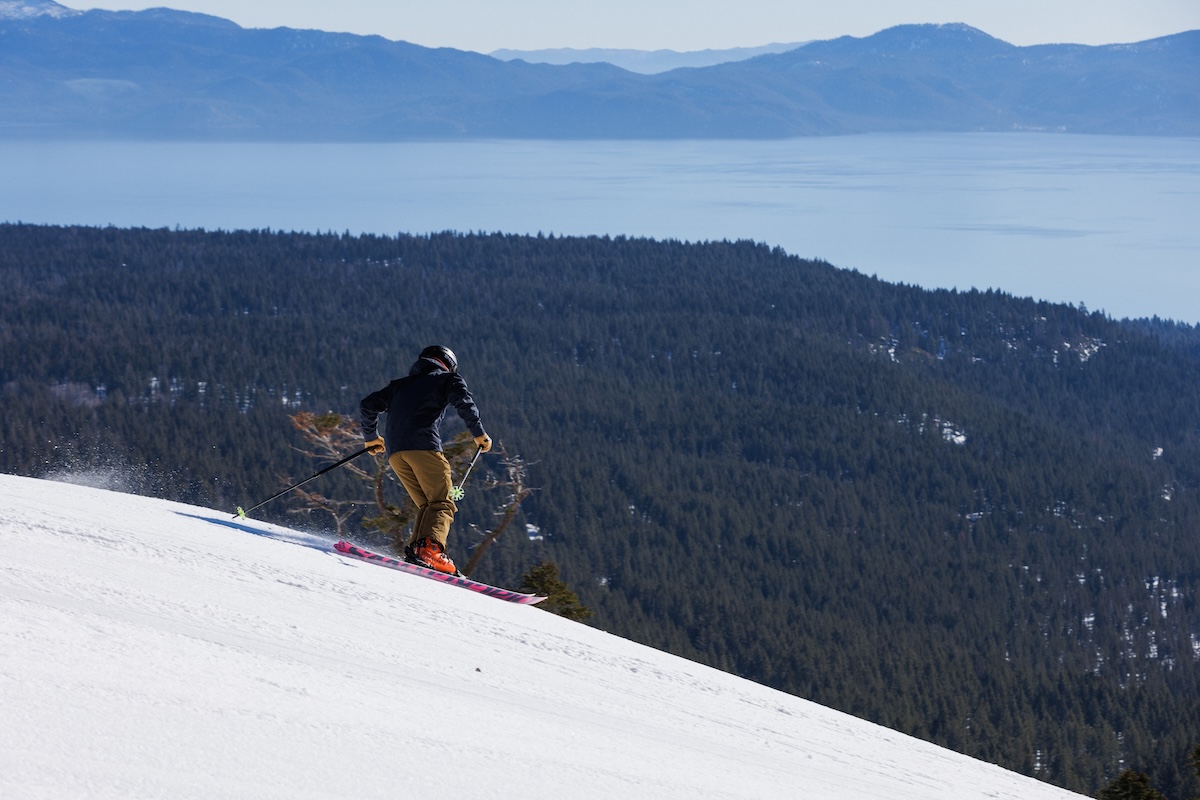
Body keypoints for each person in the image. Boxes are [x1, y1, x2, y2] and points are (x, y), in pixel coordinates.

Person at [359, 345, 492, 575]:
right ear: (448, 364)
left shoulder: (399, 386)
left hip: (396, 454)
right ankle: (430, 551)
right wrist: (479, 434)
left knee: (428, 504)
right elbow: (465, 403)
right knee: (442, 502)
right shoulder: (448, 379)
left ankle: (418, 550)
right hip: (424, 448)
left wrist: (371, 438)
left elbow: (367, 406)